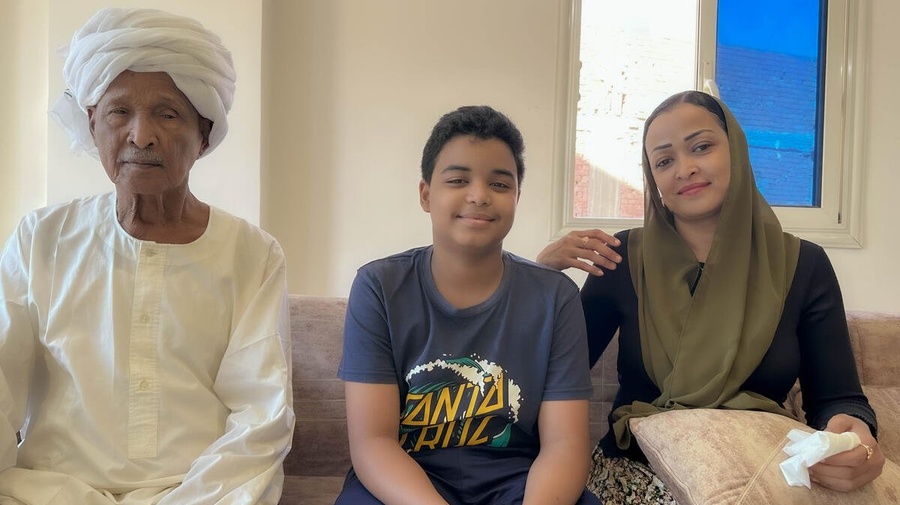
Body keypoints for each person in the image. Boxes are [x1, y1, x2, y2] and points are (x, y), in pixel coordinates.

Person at [0, 8, 293, 505]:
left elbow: (261, 419)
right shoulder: (40, 238)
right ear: (92, 124)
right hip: (48, 493)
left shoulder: (252, 254)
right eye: (119, 113)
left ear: (204, 134)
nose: (141, 135)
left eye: (167, 113)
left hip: (199, 495)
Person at [537, 90, 885, 503]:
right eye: (664, 161)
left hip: (757, 473)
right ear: (654, 180)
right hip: (632, 477)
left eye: (701, 147)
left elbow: (837, 398)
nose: (685, 169)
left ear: (735, 152)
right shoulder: (622, 258)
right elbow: (551, 376)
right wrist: (540, 276)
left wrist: (855, 436)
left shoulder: (803, 265)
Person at [335, 106, 599, 505]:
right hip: (408, 481)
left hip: (520, 483)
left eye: (499, 184)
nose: (478, 195)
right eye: (458, 180)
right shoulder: (378, 287)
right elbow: (373, 442)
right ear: (426, 195)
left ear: (516, 197)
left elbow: (565, 445)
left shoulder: (556, 297)